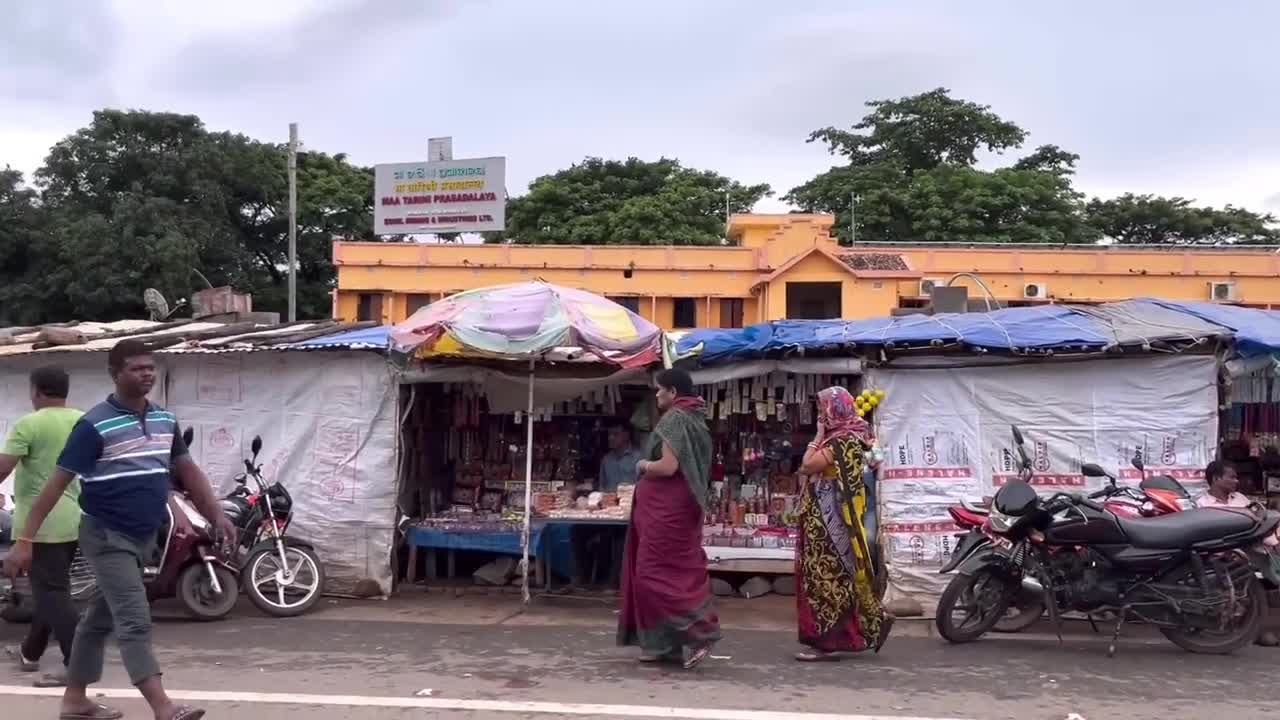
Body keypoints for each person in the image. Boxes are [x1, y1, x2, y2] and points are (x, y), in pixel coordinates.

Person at [5, 339, 235, 720]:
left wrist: (217, 514)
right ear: (115, 374)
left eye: (150, 367)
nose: (146, 373)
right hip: (106, 535)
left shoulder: (165, 420)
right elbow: (57, 484)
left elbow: (187, 471)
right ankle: (163, 707)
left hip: (144, 536)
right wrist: (25, 539)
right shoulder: (93, 425)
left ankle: (75, 700)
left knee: (99, 619)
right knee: (133, 615)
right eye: (136, 368)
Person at [616, 368, 720, 669]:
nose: (657, 394)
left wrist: (643, 464)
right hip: (679, 511)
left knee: (652, 575)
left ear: (673, 392)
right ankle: (665, 647)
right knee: (678, 572)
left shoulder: (675, 419)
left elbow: (668, 467)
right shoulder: (696, 419)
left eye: (659, 389)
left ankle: (701, 632)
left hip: (667, 513)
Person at [793, 386, 893, 661]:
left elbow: (807, 465)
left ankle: (830, 641)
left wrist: (817, 435)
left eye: (822, 409)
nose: (820, 415)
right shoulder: (857, 435)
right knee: (833, 576)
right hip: (829, 517)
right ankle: (867, 624)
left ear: (834, 409)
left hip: (831, 519)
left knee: (827, 578)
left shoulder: (842, 439)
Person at [0, 366, 84, 688]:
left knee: (53, 593)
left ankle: (77, 664)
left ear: (36, 391)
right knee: (51, 591)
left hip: (38, 524)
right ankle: (30, 653)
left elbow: (2, 468)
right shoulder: (82, 421)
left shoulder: (29, 424)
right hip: (74, 520)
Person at [571, 424, 640, 588]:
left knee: (619, 535)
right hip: (607, 510)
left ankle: (613, 582)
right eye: (609, 435)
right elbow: (602, 489)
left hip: (629, 511)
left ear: (626, 435)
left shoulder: (640, 458)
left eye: (615, 434)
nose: (611, 438)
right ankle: (583, 578)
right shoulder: (606, 459)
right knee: (577, 530)